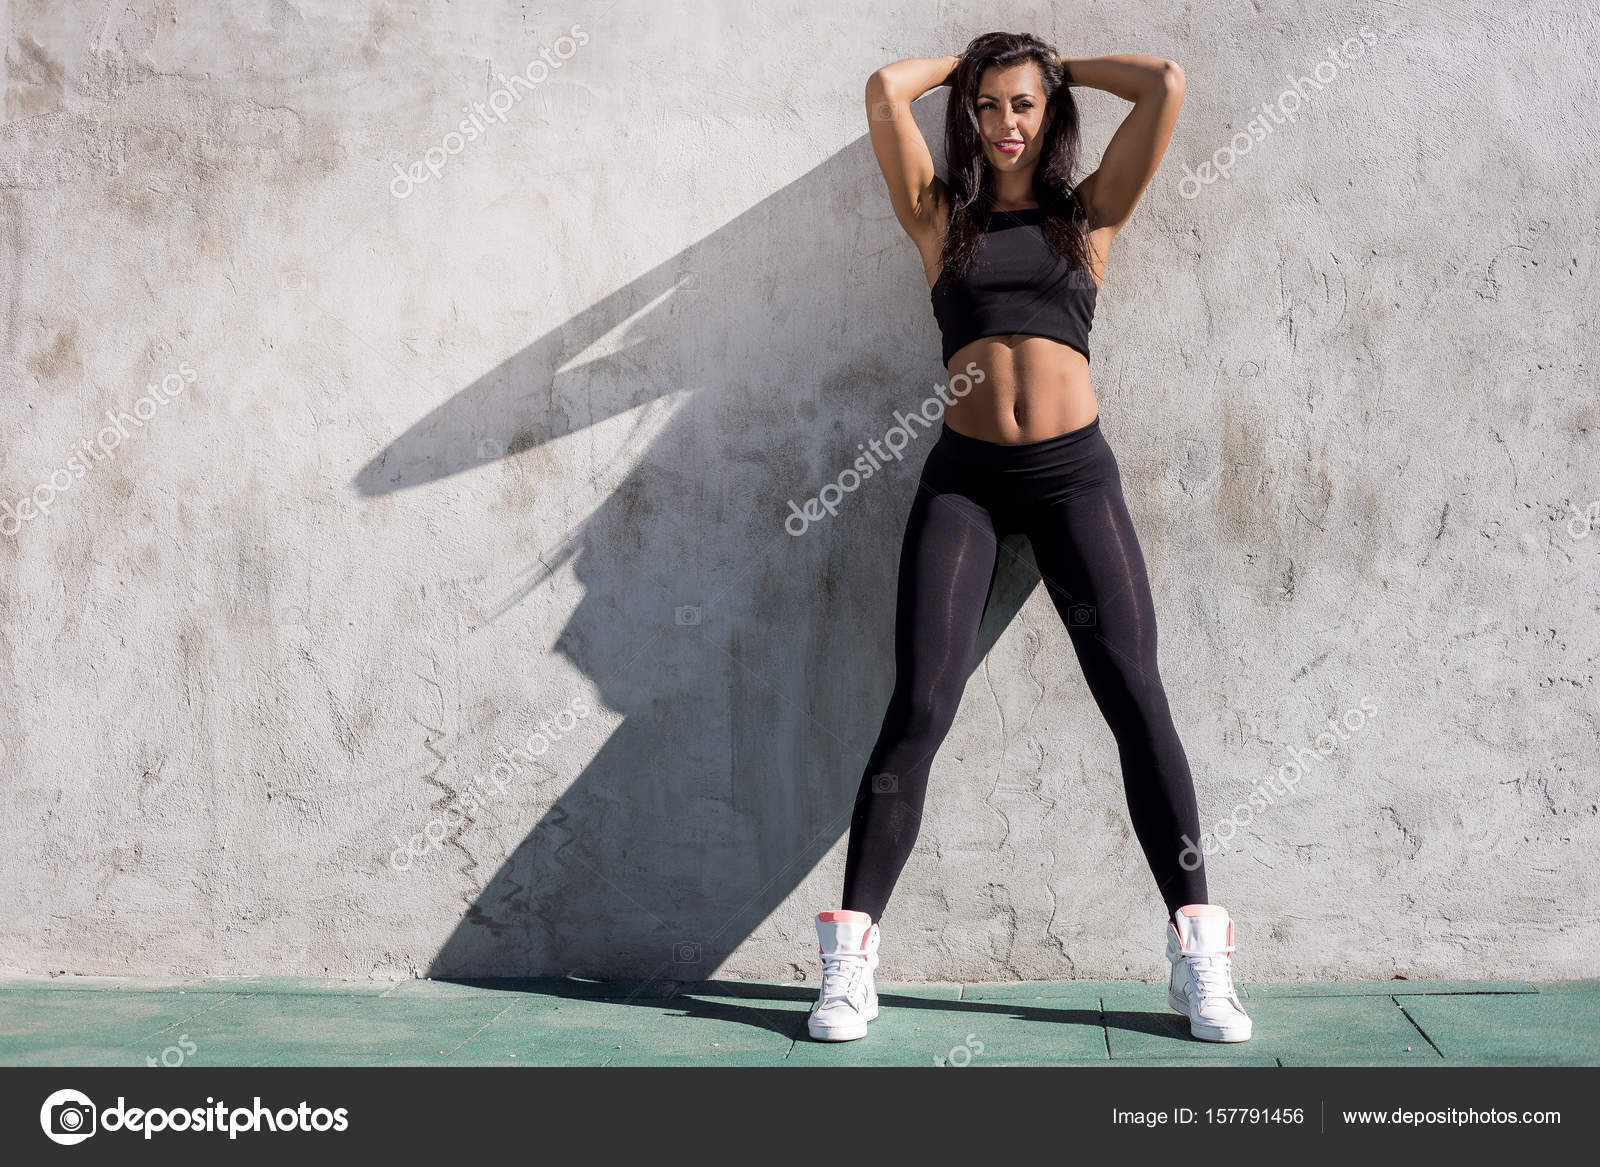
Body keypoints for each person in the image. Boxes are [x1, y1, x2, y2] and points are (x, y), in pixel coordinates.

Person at [806, 32, 1251, 1045]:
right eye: (988, 107)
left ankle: (1199, 957)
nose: (1005, 126)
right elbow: (883, 88)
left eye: (1023, 107)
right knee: (917, 704)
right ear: (965, 114)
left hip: (1071, 481)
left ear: (1047, 116)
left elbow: (1167, 83)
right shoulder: (940, 219)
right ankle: (847, 964)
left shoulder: (1086, 216)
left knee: (1135, 697)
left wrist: (1061, 68)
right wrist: (966, 66)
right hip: (963, 485)